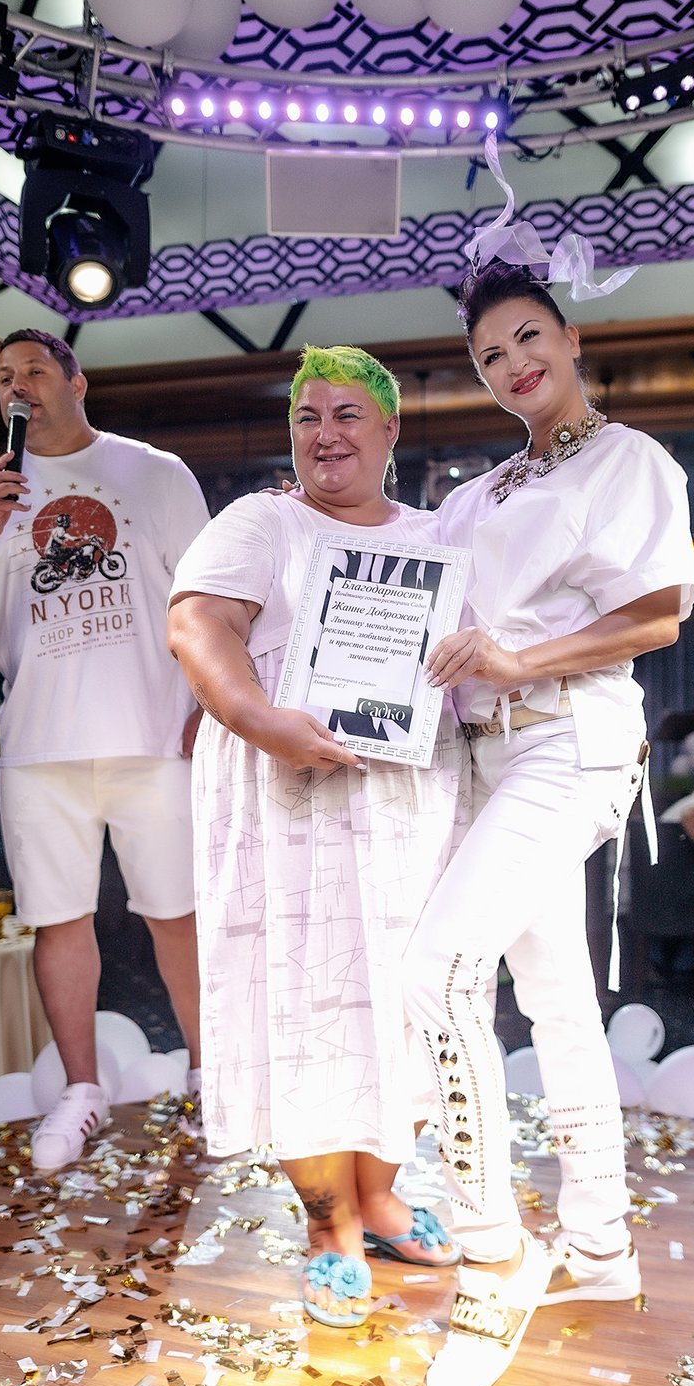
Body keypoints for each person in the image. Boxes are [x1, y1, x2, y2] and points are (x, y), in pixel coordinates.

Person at [402, 258, 694, 1386]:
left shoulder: (627, 461)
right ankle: (600, 1243)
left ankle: (494, 1254)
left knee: (437, 975)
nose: (512, 362)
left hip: (568, 738)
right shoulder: (478, 493)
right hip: (475, 753)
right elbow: (412, 589)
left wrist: (518, 656)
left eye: (528, 336)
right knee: (556, 1000)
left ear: (570, 339)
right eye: (489, 354)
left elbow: (656, 614)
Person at [166, 346, 467, 1329]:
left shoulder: (435, 536)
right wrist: (264, 722)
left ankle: (381, 1200)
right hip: (285, 807)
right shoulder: (262, 521)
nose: (325, 434)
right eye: (307, 417)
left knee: (403, 1007)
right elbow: (198, 627)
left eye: (346, 415)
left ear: (389, 431)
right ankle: (329, 1225)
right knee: (302, 1014)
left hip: (406, 809)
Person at [0, 329, 209, 1172]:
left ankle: (210, 1075)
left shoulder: (153, 473)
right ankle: (81, 1090)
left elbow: (211, 600)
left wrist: (208, 706)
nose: (18, 387)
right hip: (39, 748)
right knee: (58, 920)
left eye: (35, 371)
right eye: (4, 377)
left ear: (77, 383)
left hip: (153, 736)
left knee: (177, 914)